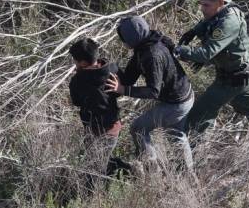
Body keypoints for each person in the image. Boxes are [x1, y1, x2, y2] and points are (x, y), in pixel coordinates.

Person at [175, 0, 249, 159]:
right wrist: (194, 31)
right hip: (238, 75)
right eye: (200, 4)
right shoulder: (219, 11)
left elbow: (207, 52)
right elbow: (208, 21)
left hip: (232, 80)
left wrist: (182, 51)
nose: (202, 9)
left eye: (206, 5)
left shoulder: (229, 22)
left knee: (199, 114)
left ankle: (188, 157)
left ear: (220, 3)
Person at [105, 16, 194, 170]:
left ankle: (152, 169)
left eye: (123, 38)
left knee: (138, 128)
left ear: (131, 39)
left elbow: (153, 91)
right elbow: (130, 76)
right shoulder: (148, 43)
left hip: (177, 103)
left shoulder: (152, 55)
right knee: (177, 134)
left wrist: (123, 90)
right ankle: (189, 174)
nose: (122, 41)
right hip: (183, 94)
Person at [68, 38, 131, 180]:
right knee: (98, 159)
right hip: (113, 127)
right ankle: (125, 171)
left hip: (97, 130)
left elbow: (76, 101)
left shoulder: (78, 81)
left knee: (93, 171)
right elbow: (122, 86)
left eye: (75, 61)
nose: (75, 64)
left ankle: (129, 172)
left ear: (83, 63)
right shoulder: (112, 69)